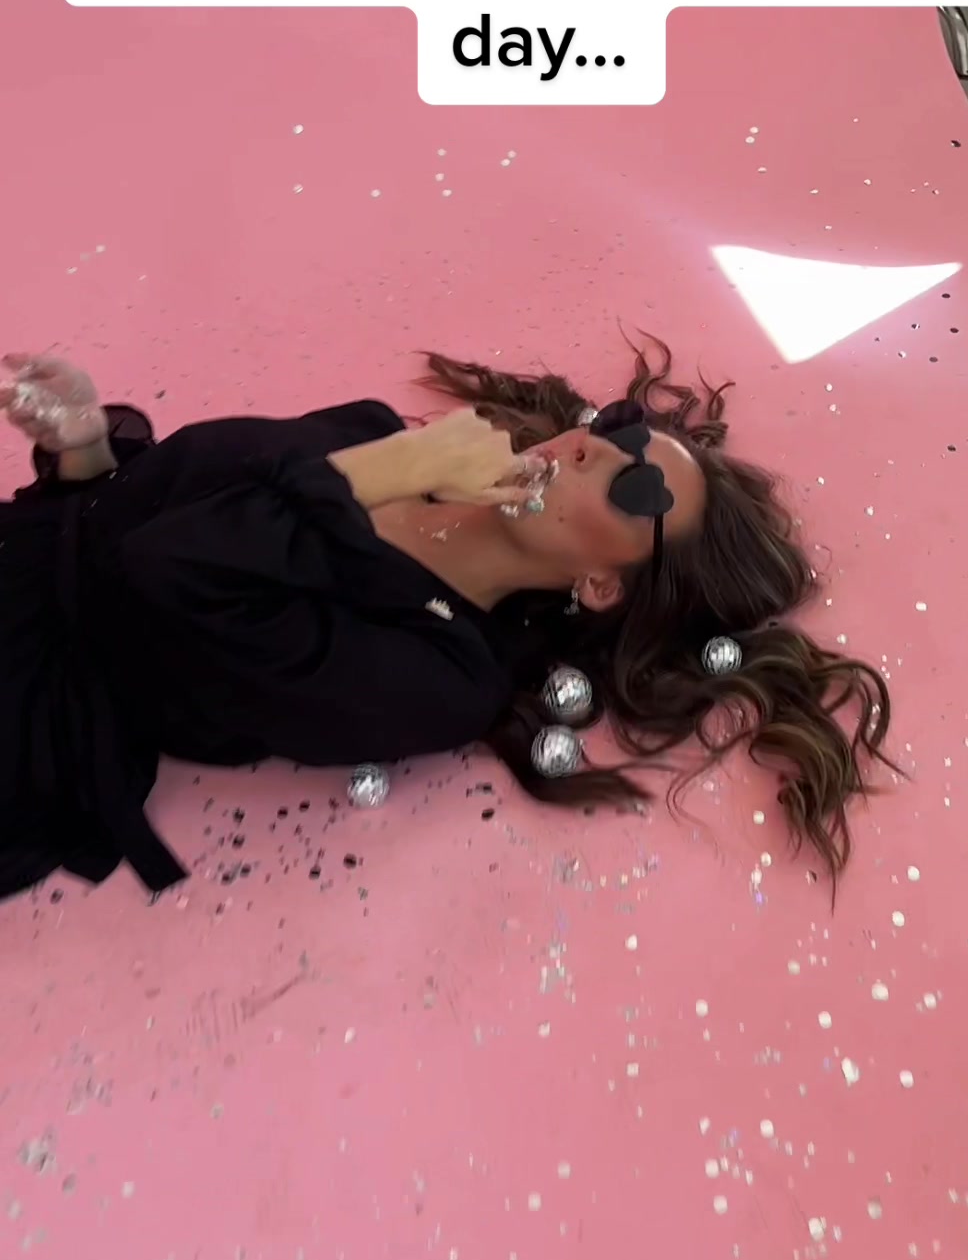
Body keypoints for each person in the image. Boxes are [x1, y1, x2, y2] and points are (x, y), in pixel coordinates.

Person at [0, 341, 892, 903]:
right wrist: (85, 450)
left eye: (635, 486)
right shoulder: (374, 434)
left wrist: (388, 472)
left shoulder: (439, 674)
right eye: (618, 432)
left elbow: (163, 576)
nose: (590, 445)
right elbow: (153, 518)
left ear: (602, 586)